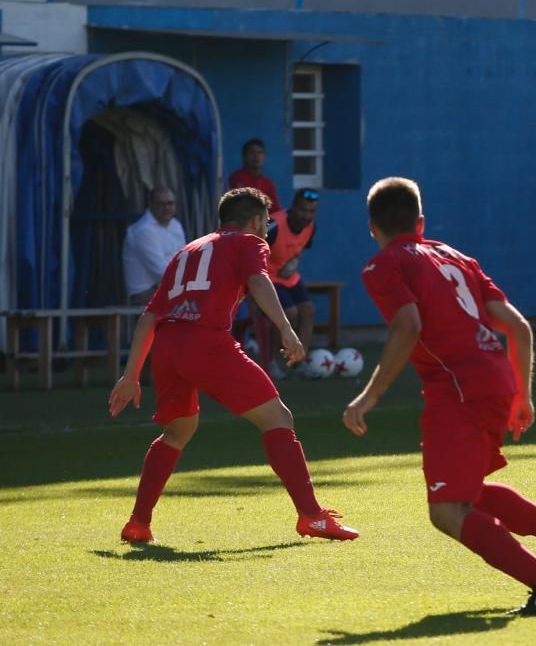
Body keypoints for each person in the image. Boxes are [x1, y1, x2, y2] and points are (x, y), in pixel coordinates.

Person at [343, 177, 536, 616]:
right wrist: (523, 395)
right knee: (470, 494)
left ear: (372, 228)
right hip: (495, 382)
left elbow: (408, 326)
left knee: (446, 510)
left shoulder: (383, 266)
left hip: (457, 391)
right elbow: (518, 328)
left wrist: (368, 396)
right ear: (420, 222)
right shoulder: (457, 258)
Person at [110, 187, 358, 544]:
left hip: (167, 346)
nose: (268, 229)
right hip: (206, 342)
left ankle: (138, 523)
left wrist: (131, 374)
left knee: (177, 433)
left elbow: (150, 316)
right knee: (278, 418)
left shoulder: (187, 250)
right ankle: (312, 517)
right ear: (256, 220)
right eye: (266, 221)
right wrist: (286, 330)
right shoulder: (250, 242)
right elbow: (259, 280)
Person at [257, 189, 320, 378]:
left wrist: (293, 264)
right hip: (266, 277)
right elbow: (250, 249)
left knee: (308, 311)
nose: (306, 216)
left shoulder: (311, 227)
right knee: (290, 313)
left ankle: (299, 361)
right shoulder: (273, 225)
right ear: (292, 208)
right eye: (302, 210)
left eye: (311, 212)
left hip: (288, 277)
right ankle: (270, 361)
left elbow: (298, 248)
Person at [122, 186, 186, 305]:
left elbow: (183, 260)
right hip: (145, 292)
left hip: (168, 288)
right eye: (161, 204)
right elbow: (162, 272)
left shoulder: (176, 225)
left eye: (170, 203)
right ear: (151, 205)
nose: (166, 208)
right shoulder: (143, 231)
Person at [229, 138, 281, 211]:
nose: (256, 157)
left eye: (260, 153)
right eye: (252, 153)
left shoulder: (268, 184)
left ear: (264, 157)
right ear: (244, 156)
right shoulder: (236, 179)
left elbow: (276, 211)